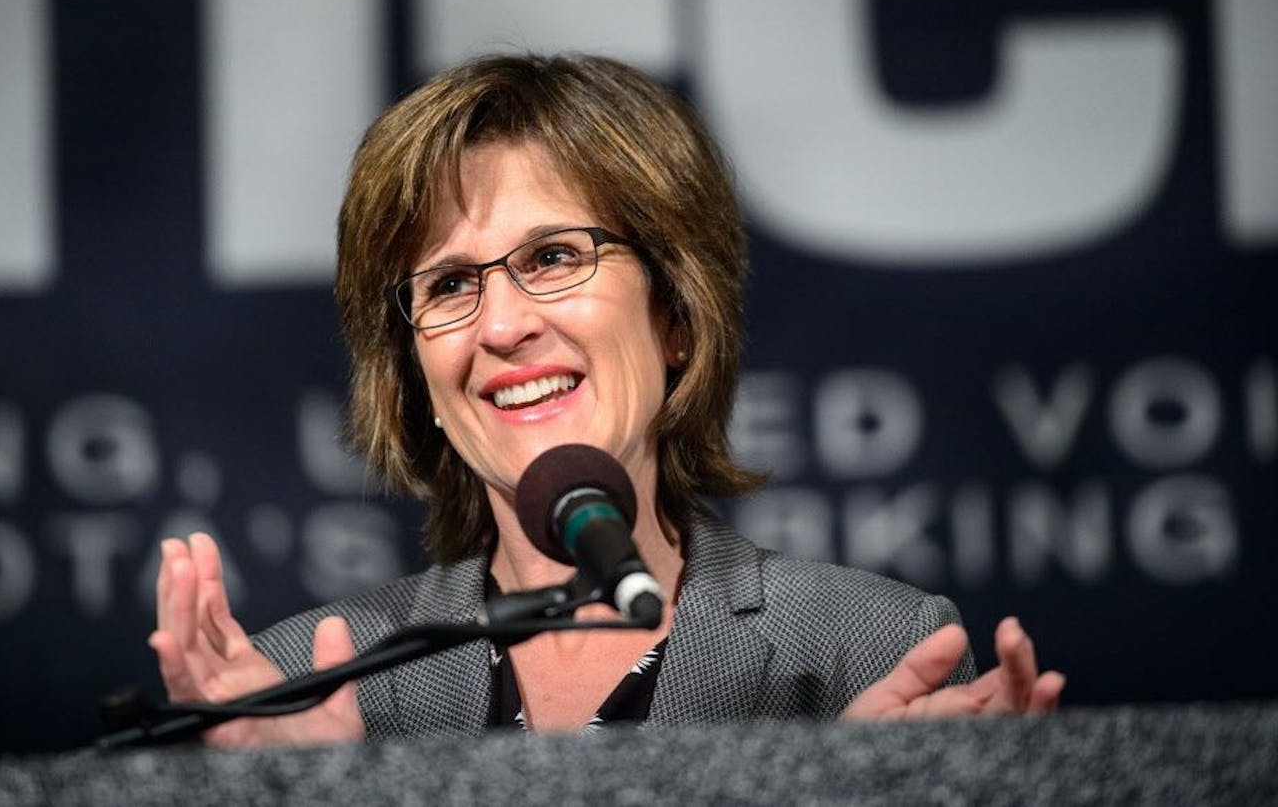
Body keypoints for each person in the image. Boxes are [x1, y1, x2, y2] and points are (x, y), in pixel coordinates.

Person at [150, 54, 1064, 745]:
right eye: (449, 286)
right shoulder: (309, 683)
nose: (502, 327)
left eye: (553, 258)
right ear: (413, 371)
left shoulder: (862, 651)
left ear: (674, 313)